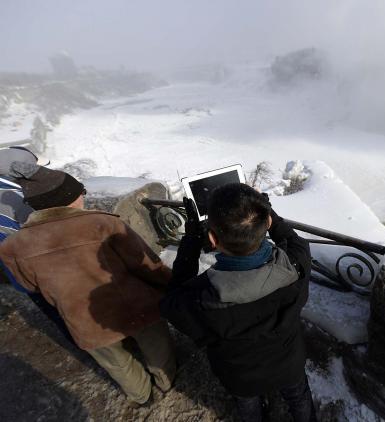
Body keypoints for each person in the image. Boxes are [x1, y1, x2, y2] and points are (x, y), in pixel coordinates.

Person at [0, 162, 176, 406]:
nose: (84, 195)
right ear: (69, 198)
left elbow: (29, 286)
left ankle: (142, 395)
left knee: (117, 363)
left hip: (83, 321)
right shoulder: (103, 224)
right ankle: (166, 381)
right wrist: (169, 285)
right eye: (80, 191)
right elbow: (145, 263)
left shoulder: (12, 247)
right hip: (136, 307)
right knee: (157, 348)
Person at [160, 183, 316, 422]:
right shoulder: (297, 264)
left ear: (212, 239)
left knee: (248, 406)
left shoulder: (199, 298)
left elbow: (171, 300)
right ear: (268, 224)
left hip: (240, 375)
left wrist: (191, 239)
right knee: (299, 398)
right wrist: (263, 211)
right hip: (289, 363)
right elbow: (290, 238)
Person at [0, 146, 74, 344]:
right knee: (71, 310)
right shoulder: (17, 197)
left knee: (54, 312)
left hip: (19, 273)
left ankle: (79, 342)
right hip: (46, 268)